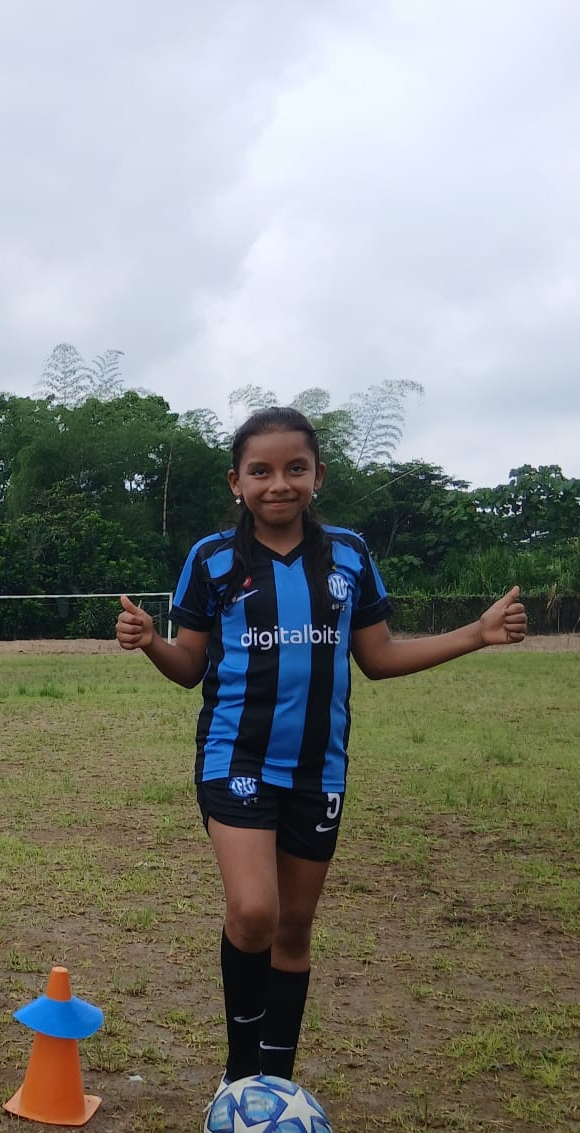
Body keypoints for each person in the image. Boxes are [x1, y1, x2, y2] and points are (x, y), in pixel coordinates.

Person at [116, 406, 527, 1087]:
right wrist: (151, 642)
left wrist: (474, 635)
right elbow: (188, 668)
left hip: (318, 769)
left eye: (294, 469)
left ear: (318, 475)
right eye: (260, 471)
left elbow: (379, 657)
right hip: (235, 760)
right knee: (255, 910)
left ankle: (277, 1081)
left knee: (293, 929)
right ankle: (240, 1079)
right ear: (236, 482)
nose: (278, 483)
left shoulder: (348, 555)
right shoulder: (211, 559)